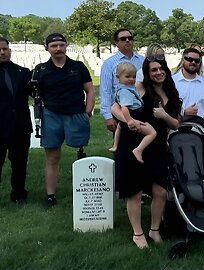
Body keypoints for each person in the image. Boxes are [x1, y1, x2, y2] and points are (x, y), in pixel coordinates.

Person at [114, 55, 181, 248]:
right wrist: (129, 121)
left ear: (166, 70)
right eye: (153, 70)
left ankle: (154, 229)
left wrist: (164, 115)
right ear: (148, 73)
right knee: (134, 191)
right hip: (134, 142)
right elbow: (114, 106)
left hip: (157, 145)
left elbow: (176, 124)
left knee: (160, 190)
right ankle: (137, 233)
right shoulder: (139, 87)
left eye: (161, 69)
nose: (158, 72)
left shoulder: (172, 93)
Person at [34, 33, 95, 206]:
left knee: (81, 154)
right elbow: (34, 93)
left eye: (61, 45)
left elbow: (90, 90)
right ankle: (50, 195)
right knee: (52, 157)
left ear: (66, 46)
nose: (58, 49)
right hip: (51, 115)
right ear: (47, 48)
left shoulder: (78, 66)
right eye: (54, 46)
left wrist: (88, 112)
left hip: (76, 113)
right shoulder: (40, 70)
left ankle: (86, 191)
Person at [0, 37, 32, 203]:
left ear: (10, 50)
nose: (2, 52)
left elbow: (34, 93)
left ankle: (19, 193)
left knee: (20, 163)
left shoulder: (23, 72)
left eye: (5, 49)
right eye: (0, 50)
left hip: (20, 126)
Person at [109, 62, 156, 163]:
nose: (131, 79)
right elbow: (124, 108)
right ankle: (138, 150)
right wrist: (130, 120)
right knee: (152, 133)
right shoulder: (126, 92)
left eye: (134, 77)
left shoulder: (124, 88)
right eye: (127, 76)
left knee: (120, 127)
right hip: (133, 114)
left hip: (130, 115)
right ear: (118, 77)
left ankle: (115, 145)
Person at [100, 28, 144, 134]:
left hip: (141, 108)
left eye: (130, 38)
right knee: (124, 146)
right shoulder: (109, 63)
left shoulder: (142, 60)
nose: (127, 40)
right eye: (123, 38)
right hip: (121, 110)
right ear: (117, 43)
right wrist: (108, 116)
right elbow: (106, 90)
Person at [173, 47, 204, 124]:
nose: (193, 62)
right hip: (177, 127)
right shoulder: (172, 82)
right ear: (183, 60)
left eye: (197, 60)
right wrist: (183, 113)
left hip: (200, 129)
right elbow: (167, 106)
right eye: (189, 59)